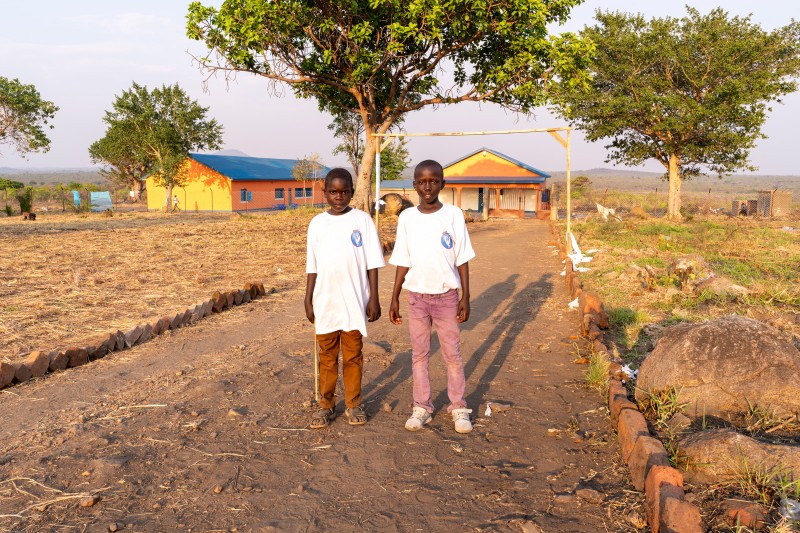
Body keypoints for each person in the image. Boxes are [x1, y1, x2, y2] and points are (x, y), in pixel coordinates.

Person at [389, 160, 476, 434]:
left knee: (452, 354)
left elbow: (461, 257)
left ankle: (459, 408)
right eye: (422, 182)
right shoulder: (407, 218)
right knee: (419, 355)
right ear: (414, 185)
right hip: (416, 298)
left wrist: (465, 296)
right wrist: (394, 296)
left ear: (442, 184)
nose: (428, 186)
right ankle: (421, 407)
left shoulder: (453, 215)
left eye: (434, 181)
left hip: (447, 297)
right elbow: (403, 258)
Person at [305, 168, 385, 428]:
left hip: (353, 301)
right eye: (333, 192)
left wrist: (374, 297)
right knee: (327, 356)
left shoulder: (362, 221)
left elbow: (372, 262)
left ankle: (354, 403)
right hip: (325, 302)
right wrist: (308, 298)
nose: (339, 196)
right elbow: (312, 265)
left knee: (353, 355)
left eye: (344, 191)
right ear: (324, 192)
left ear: (352, 191)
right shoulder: (317, 223)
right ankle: (325, 405)